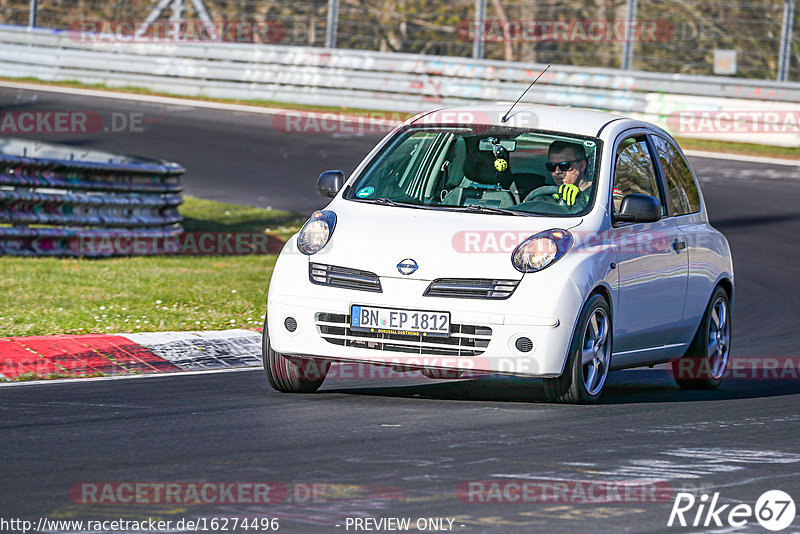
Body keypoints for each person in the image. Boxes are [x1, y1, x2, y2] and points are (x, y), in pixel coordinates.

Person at [545, 140, 592, 209]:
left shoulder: (597, 194)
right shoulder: (546, 196)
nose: (557, 171)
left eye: (564, 165)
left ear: (582, 165)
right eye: (552, 166)